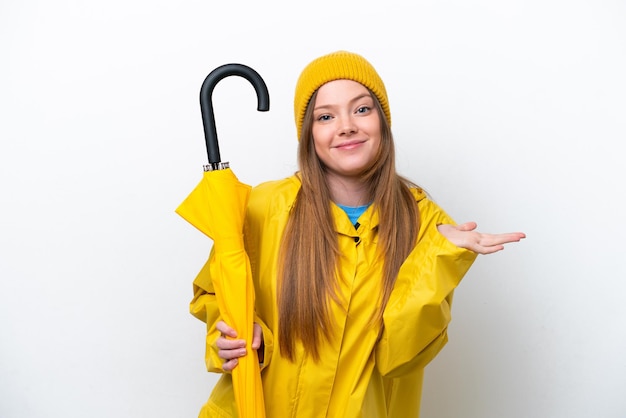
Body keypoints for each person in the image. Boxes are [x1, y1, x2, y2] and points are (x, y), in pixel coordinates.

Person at [189, 50, 525, 417]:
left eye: (362, 109)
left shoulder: (426, 224)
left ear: (382, 122)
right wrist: (231, 336)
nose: (346, 126)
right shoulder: (265, 207)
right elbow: (215, 292)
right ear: (309, 135)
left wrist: (440, 257)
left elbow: (400, 357)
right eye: (325, 116)